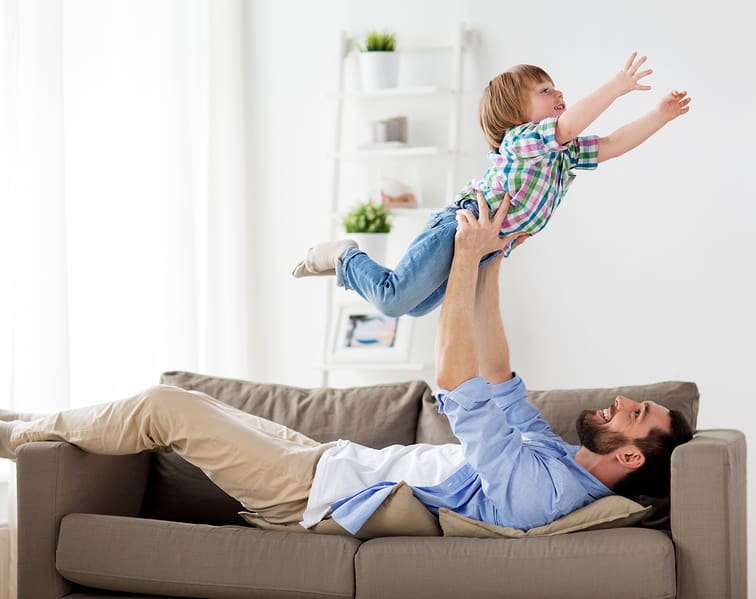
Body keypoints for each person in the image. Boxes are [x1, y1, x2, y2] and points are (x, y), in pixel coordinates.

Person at [0, 192, 692, 533]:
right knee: (183, 403)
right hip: (330, 457)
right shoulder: (563, 457)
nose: (618, 403)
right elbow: (501, 378)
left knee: (165, 404)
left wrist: (460, 265)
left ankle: (20, 433)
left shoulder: (547, 493)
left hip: (311, 493)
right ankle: (33, 421)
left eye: (632, 413)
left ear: (631, 458)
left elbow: (459, 385)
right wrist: (490, 264)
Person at [292, 53, 691, 318]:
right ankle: (345, 256)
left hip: (483, 247)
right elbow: (569, 125)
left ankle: (345, 267)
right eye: (545, 90)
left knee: (413, 308)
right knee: (394, 301)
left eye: (555, 87)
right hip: (459, 230)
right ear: (516, 114)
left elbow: (611, 144)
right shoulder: (520, 141)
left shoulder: (563, 154)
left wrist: (660, 115)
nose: (559, 93)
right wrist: (616, 86)